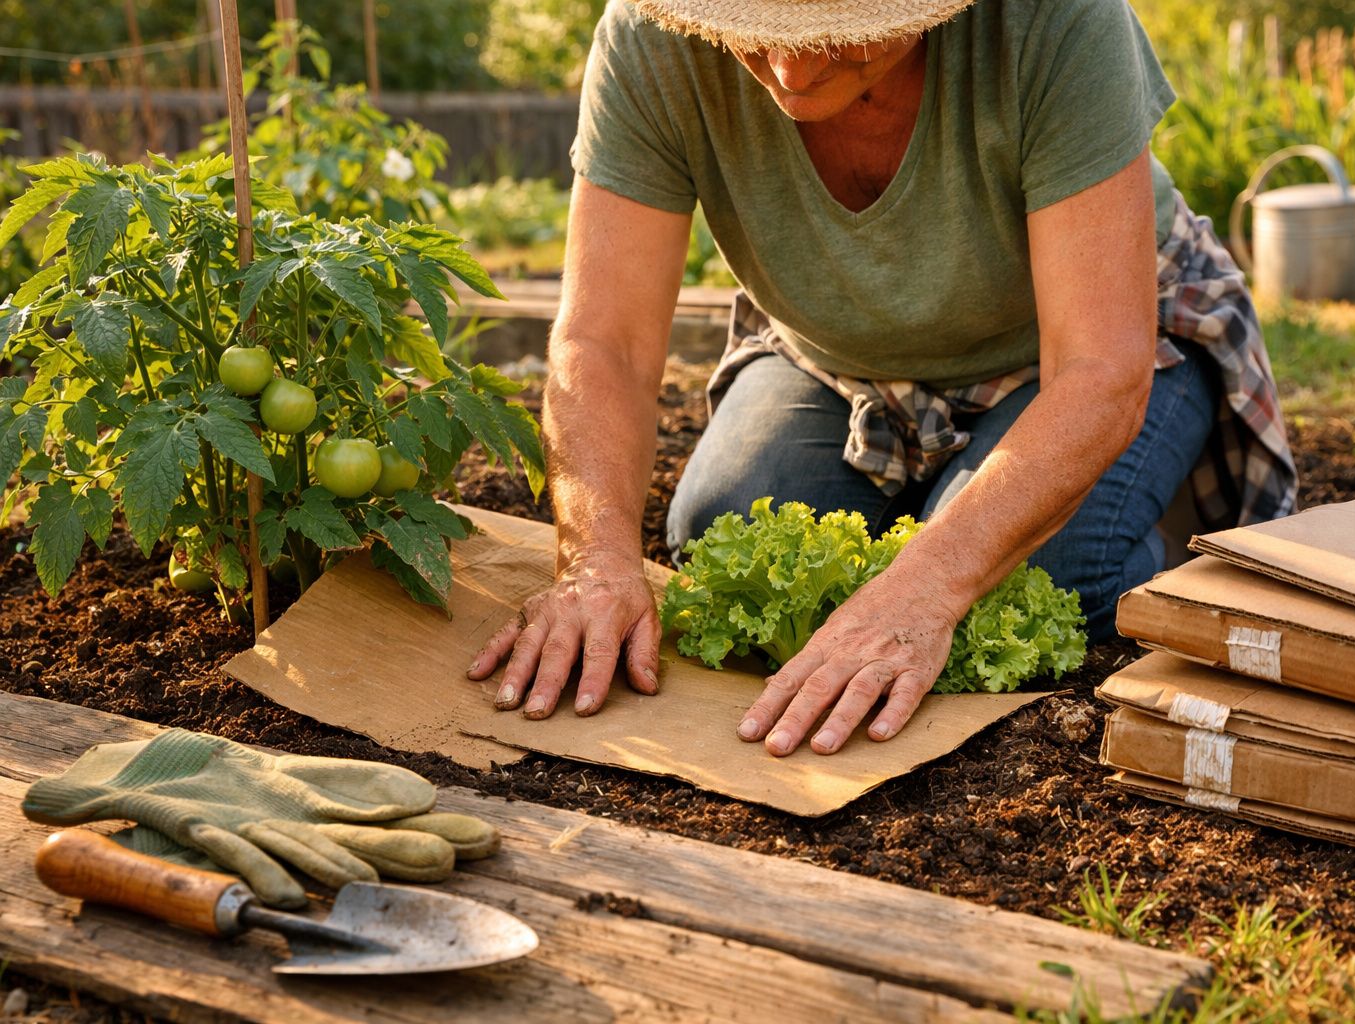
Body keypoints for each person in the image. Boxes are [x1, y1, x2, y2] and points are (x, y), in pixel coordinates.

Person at [466, 0, 1297, 758]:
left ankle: (1140, 501)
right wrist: (595, 560)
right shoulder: (654, 37)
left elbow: (1096, 368)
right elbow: (603, 342)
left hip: (1082, 347)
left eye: (839, 31)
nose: (792, 71)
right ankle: (949, 504)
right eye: (757, 33)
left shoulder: (1059, 22)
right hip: (829, 352)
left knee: (1049, 584)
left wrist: (923, 590)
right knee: (725, 544)